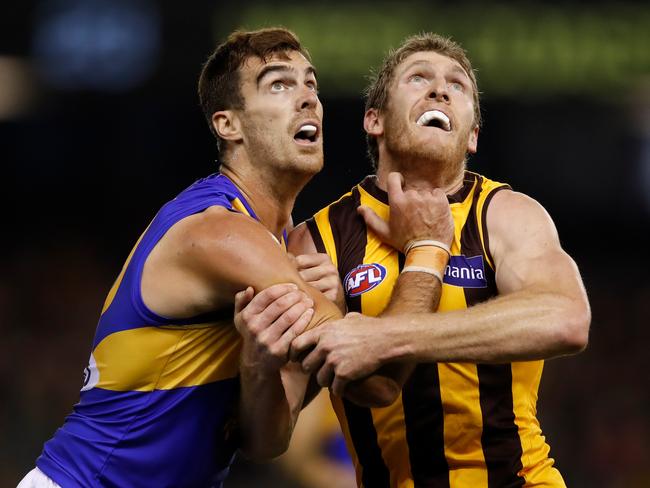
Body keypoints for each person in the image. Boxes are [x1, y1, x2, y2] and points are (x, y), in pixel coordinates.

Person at [19, 27, 452, 488]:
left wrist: (259, 364)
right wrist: (427, 251)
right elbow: (377, 382)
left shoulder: (281, 245)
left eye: (311, 83)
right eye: (280, 85)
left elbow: (265, 443)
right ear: (229, 124)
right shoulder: (221, 233)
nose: (308, 99)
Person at [243, 33, 591, 486]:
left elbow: (567, 319)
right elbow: (268, 441)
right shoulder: (317, 241)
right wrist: (257, 364)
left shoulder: (505, 213)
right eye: (418, 78)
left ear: (473, 137)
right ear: (375, 120)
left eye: (458, 86)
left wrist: (381, 337)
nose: (440, 90)